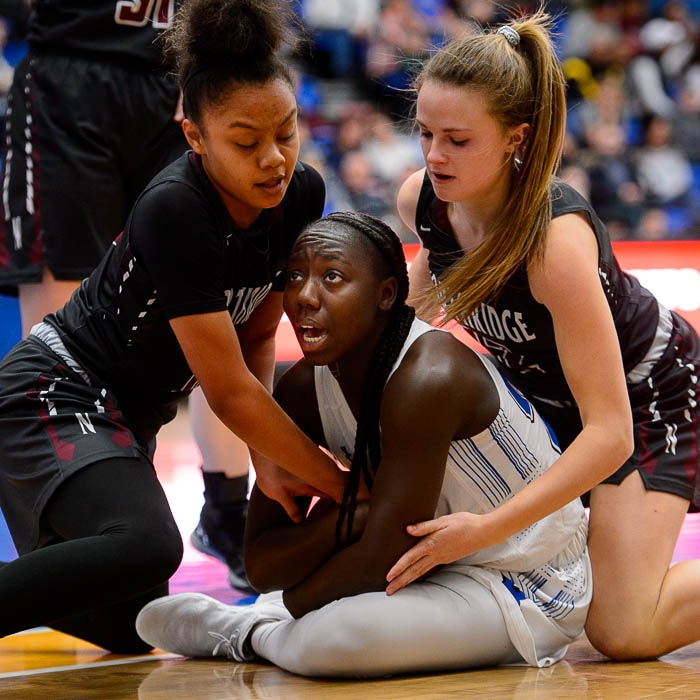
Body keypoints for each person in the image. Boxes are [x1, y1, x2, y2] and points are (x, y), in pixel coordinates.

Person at [0, 0, 347, 654]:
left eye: (287, 132)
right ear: (194, 137)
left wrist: (273, 463)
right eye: (246, 142)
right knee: (150, 544)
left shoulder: (299, 193)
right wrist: (344, 487)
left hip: (127, 415)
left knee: (131, 622)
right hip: (51, 391)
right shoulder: (174, 207)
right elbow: (228, 390)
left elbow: (254, 341)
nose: (273, 159)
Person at [135, 212, 592, 678]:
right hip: (423, 566)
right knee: (334, 625)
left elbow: (381, 560)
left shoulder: (430, 376)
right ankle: (270, 627)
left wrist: (283, 605)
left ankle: (250, 631)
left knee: (339, 639)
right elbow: (261, 564)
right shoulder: (301, 388)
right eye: (295, 276)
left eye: (332, 277)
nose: (305, 297)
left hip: (524, 579)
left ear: (386, 295)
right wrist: (358, 515)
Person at [390, 12, 700, 661]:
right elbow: (411, 326)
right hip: (554, 403)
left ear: (515, 139)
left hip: (650, 396)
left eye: (456, 139)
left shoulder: (554, 245)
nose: (433, 155)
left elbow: (609, 431)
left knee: (624, 629)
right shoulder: (423, 199)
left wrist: (487, 528)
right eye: (424, 133)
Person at [0, 0, 259, 593]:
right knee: (63, 325)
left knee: (216, 305)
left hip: (179, 74)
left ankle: (227, 511)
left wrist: (211, 66)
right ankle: (71, 514)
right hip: (69, 77)